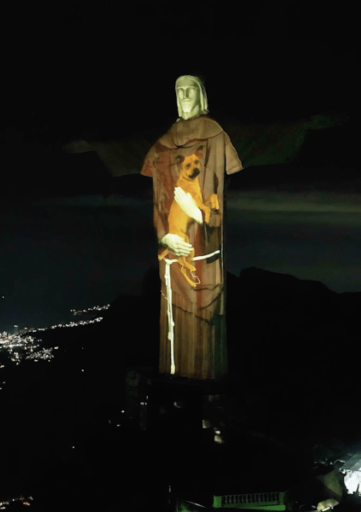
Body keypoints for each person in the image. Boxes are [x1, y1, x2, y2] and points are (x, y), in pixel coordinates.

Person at [140, 75, 244, 380]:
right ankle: (177, 393)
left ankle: (206, 394)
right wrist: (166, 237)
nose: (184, 95)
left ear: (202, 95)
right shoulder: (161, 145)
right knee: (173, 323)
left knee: (205, 318)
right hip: (172, 255)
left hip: (205, 252)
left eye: (191, 89)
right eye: (179, 90)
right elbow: (158, 201)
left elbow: (214, 204)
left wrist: (194, 214)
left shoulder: (214, 134)